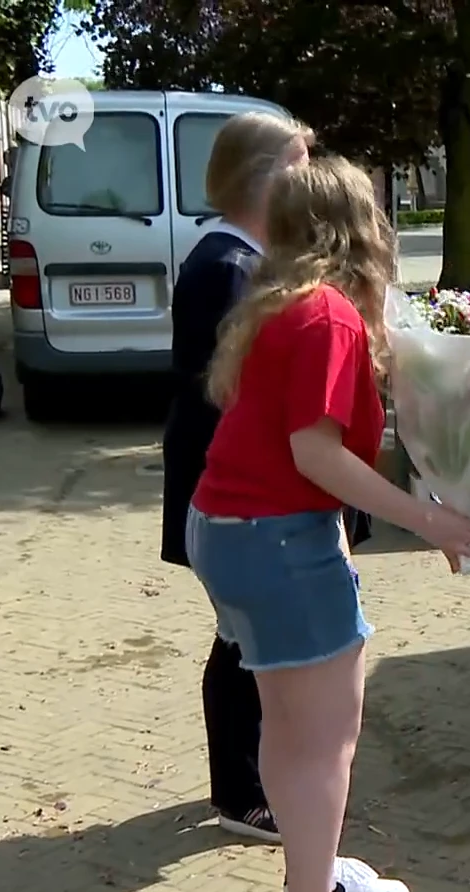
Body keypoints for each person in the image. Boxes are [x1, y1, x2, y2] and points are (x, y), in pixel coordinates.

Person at [186, 155, 470, 892]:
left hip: (234, 528)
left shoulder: (279, 305)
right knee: (325, 735)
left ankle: (312, 872)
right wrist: (431, 520)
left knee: (293, 724)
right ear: (359, 227)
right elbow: (314, 454)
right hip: (279, 538)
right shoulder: (325, 316)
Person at [160, 112, 311, 843]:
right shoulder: (226, 267)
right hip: (232, 498)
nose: (308, 179)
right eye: (299, 163)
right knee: (243, 641)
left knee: (241, 637)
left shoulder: (244, 258)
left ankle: (248, 780)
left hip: (237, 493)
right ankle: (242, 793)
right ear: (265, 176)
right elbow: (228, 395)